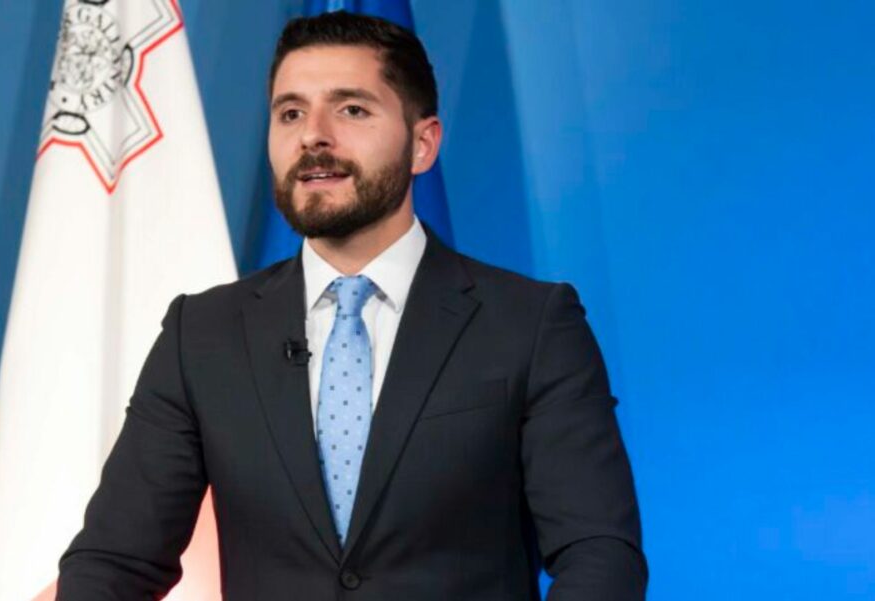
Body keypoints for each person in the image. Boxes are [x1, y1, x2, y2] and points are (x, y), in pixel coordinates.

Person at [57, 11, 647, 600]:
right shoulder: (203, 334)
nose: (313, 136)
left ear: (422, 144)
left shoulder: (531, 325)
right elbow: (113, 564)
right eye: (291, 113)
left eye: (352, 110)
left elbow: (599, 556)